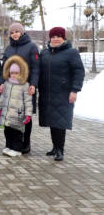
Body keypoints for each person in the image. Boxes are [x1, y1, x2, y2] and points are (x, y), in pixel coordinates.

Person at [38, 27, 85, 161]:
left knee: (60, 122)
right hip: (47, 93)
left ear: (64, 38)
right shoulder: (45, 53)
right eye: (53, 36)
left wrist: (75, 90)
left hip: (63, 93)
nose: (56, 39)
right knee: (53, 121)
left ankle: (60, 150)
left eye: (59, 36)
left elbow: (79, 72)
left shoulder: (71, 53)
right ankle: (54, 147)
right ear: (50, 38)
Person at [0, 22, 39, 154]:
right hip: (10, 88)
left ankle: (25, 143)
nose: (14, 34)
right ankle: (10, 144)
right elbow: (4, 68)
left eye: (16, 31)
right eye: (12, 32)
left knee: (25, 116)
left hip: (25, 88)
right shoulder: (9, 48)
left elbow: (35, 68)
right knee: (11, 116)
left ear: (22, 32)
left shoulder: (32, 47)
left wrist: (33, 84)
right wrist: (1, 82)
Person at [0, 55, 33, 157]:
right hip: (7, 114)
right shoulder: (7, 84)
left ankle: (17, 149)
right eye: (12, 73)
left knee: (17, 133)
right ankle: (9, 146)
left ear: (21, 73)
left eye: (16, 73)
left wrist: (28, 115)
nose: (14, 75)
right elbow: (2, 97)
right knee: (8, 131)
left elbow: (28, 102)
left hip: (18, 115)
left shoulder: (25, 85)